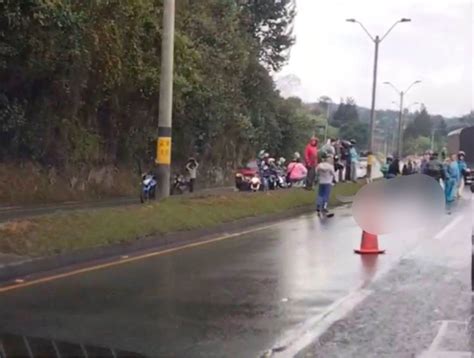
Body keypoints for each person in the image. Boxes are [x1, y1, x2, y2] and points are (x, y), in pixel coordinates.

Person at [315, 152, 336, 217]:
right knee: (326, 195)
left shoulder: (319, 166)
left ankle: (318, 206)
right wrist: (335, 180)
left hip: (321, 182)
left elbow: (316, 172)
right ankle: (324, 207)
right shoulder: (330, 166)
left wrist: (318, 177)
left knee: (320, 195)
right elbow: (333, 174)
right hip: (328, 182)